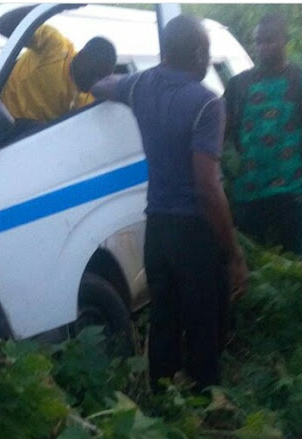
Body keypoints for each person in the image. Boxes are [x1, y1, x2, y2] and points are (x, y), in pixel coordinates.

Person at [92, 14, 248, 392]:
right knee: (204, 323)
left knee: (163, 318)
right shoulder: (207, 103)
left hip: (157, 228)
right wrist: (233, 252)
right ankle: (207, 402)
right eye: (207, 52)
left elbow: (102, 85)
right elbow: (207, 187)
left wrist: (94, 76)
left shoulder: (141, 85)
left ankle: (164, 401)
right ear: (197, 53)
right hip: (194, 230)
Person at [224, 13, 302, 258]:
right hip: (248, 196)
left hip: (291, 195)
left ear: (286, 40)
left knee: (296, 268)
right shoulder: (237, 86)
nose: (262, 47)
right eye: (258, 41)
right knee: (254, 273)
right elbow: (219, 138)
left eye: (269, 40)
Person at [0, 8, 116, 122]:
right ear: (82, 56)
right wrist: (48, 8)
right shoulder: (55, 46)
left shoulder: (89, 98)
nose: (95, 83)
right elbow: (3, 25)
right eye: (94, 74)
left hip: (32, 139)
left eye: (102, 78)